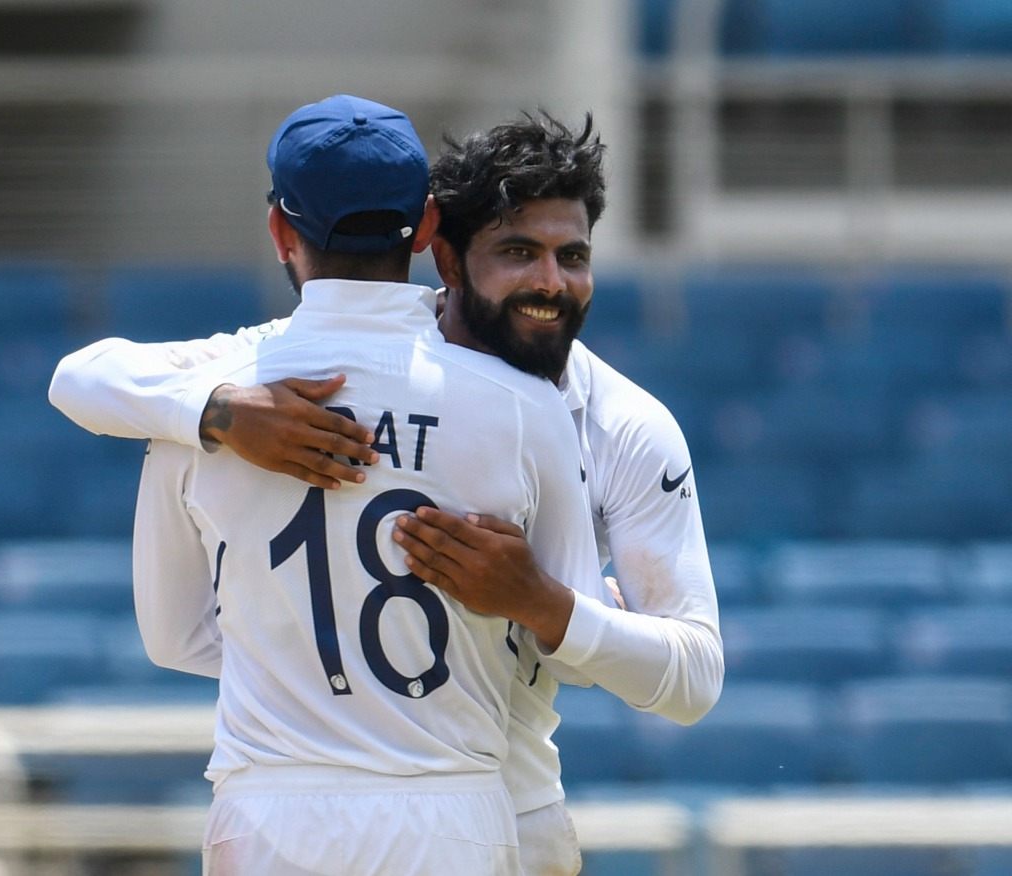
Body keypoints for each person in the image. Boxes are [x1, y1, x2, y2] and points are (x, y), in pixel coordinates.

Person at [50, 110, 722, 876]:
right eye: (516, 252)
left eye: (572, 256)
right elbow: (84, 378)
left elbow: (693, 677)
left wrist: (541, 604)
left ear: (281, 231)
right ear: (439, 246)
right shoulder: (503, 407)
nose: (549, 282)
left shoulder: (627, 424)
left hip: (331, 804)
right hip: (459, 808)